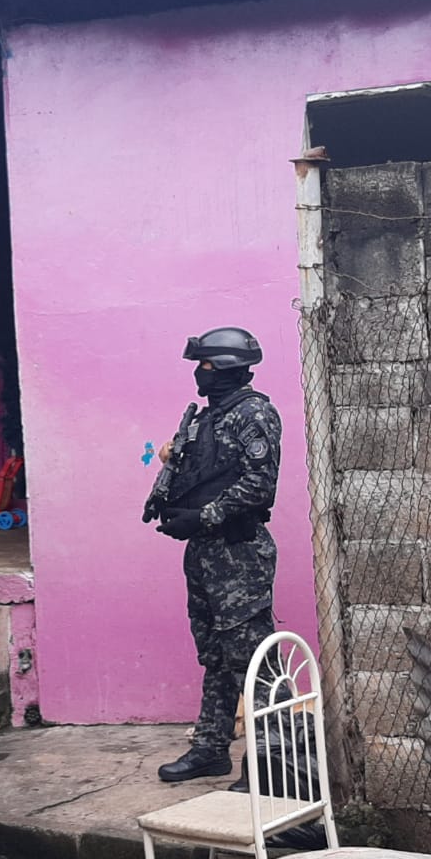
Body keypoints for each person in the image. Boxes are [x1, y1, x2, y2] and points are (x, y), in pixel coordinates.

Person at [145, 327, 281, 783]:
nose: (199, 375)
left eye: (204, 365)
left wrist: (201, 517)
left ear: (224, 367)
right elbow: (201, 474)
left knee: (253, 660)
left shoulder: (254, 414)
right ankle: (210, 748)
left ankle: (275, 762)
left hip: (239, 553)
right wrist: (171, 468)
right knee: (217, 656)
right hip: (205, 554)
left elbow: (259, 485)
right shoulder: (207, 419)